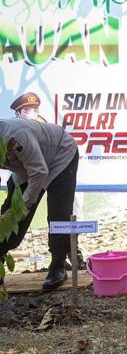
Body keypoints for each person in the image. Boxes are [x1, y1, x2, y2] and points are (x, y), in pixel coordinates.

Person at [0, 118, 79, 290]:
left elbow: (39, 173)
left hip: (60, 156)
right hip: (25, 167)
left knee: (59, 213)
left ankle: (58, 265)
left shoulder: (17, 136)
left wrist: (24, 205)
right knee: (6, 216)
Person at [9, 92, 85, 269]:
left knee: (63, 213)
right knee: (10, 210)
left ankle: (66, 256)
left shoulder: (44, 128)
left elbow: (41, 170)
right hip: (27, 172)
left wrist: (26, 202)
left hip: (57, 167)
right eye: (26, 110)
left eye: (34, 109)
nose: (31, 113)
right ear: (18, 114)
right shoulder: (12, 132)